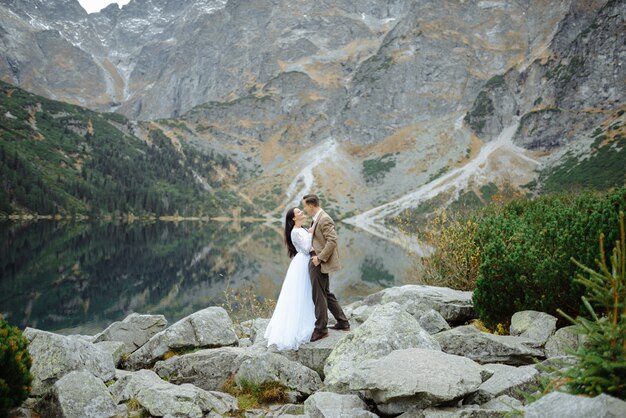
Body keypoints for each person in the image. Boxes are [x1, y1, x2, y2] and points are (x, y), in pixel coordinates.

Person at [264, 207, 316, 350]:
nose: (301, 213)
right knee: (299, 293)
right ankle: (298, 326)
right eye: (298, 212)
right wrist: (313, 233)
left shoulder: (303, 229)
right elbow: (306, 249)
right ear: (293, 218)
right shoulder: (294, 232)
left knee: (307, 292)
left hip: (306, 262)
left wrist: (310, 231)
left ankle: (309, 320)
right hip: (302, 263)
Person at [302, 194, 349, 342]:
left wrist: (320, 258)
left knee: (319, 295)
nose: (304, 208)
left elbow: (332, 240)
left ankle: (321, 329)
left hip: (318, 261)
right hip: (317, 259)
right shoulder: (317, 218)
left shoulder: (324, 218)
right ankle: (343, 322)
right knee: (326, 293)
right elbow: (320, 237)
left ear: (311, 205)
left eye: (305, 206)